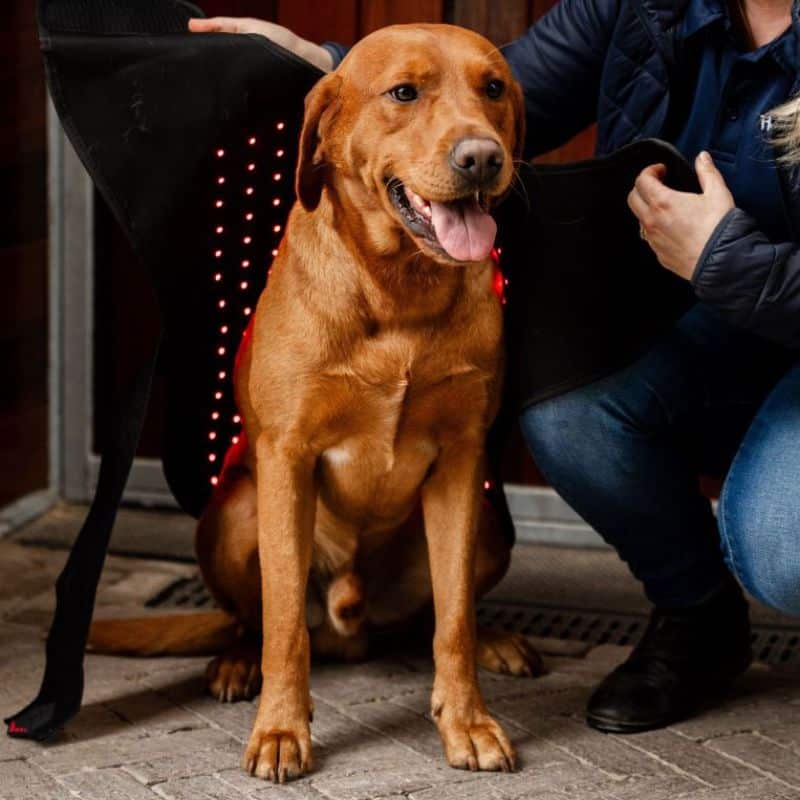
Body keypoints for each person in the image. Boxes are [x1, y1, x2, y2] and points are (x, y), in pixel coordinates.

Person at [190, 0, 800, 734]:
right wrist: (321, 62)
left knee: (784, 536)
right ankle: (699, 617)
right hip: (698, 322)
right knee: (570, 412)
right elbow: (491, 89)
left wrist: (731, 263)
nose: (481, 146)